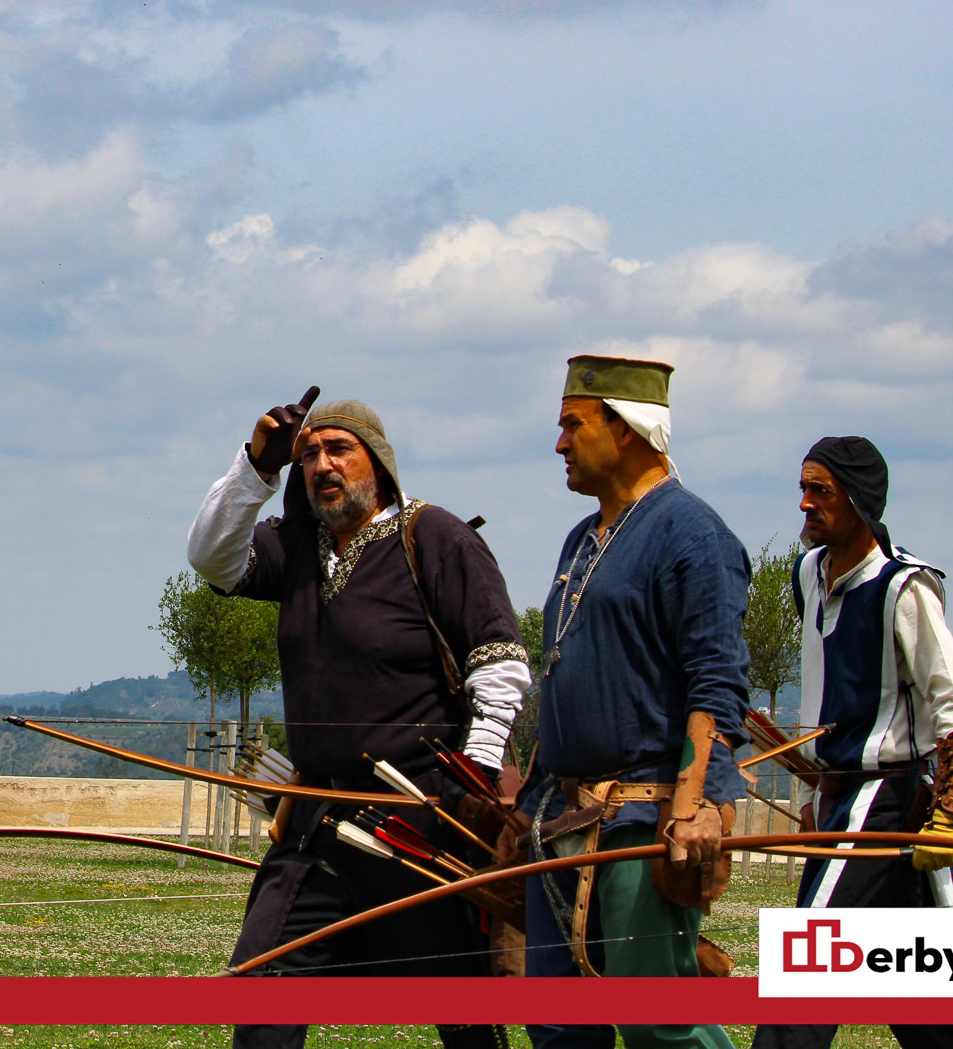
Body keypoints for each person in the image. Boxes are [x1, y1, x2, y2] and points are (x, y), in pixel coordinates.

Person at [188, 389, 531, 1049]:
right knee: (263, 986)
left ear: (377, 462)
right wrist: (257, 464)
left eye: (339, 448)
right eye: (310, 453)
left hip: (419, 820)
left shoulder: (431, 536)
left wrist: (478, 772)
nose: (321, 464)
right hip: (314, 823)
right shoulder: (296, 550)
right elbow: (211, 558)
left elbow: (500, 661)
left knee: (462, 1012)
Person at [516, 356, 749, 1049]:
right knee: (558, 1027)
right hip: (560, 820)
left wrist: (697, 806)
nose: (559, 443)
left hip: (644, 817)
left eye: (572, 424)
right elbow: (565, 673)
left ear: (622, 427)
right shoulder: (581, 539)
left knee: (660, 1022)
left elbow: (716, 682)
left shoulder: (692, 533)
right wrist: (527, 801)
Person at [751, 436, 953, 1049]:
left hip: (884, 798)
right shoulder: (809, 574)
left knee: (804, 973)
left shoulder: (902, 589)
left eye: (819, 491)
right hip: (838, 795)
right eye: (802, 489)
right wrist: (814, 798)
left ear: (858, 501)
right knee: (918, 996)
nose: (804, 504)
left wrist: (948, 817)